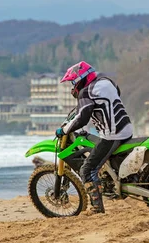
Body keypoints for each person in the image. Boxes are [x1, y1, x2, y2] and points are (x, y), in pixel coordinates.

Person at [55, 61, 133, 214]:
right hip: (126, 129)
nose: (73, 86)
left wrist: (64, 130)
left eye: (73, 82)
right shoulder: (106, 81)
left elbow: (82, 118)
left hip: (112, 135)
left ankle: (97, 208)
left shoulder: (86, 92)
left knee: (87, 169)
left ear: (81, 79)